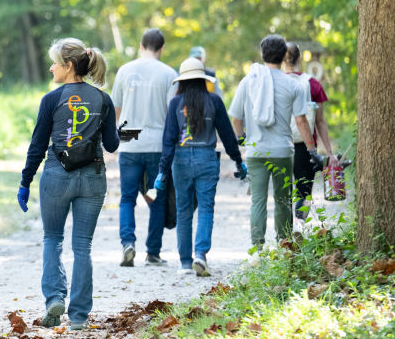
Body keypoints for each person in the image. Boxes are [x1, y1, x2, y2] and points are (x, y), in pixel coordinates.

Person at [19, 37, 123, 330]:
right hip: (92, 177)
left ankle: (54, 297)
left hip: (56, 176)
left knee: (52, 239)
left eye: (55, 63)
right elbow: (112, 145)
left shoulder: (51, 100)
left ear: (68, 66)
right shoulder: (103, 99)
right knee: (82, 247)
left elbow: (37, 146)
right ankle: (78, 316)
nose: (51, 68)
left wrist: (25, 181)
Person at [154, 58, 245, 277]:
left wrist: (162, 171)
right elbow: (227, 135)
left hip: (181, 161)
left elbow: (168, 140)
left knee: (183, 210)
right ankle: (200, 255)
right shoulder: (214, 101)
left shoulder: (176, 104)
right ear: (203, 79)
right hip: (206, 158)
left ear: (182, 82)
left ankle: (185, 263)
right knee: (206, 208)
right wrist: (237, 160)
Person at [228, 35, 319, 250]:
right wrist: (312, 149)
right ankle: (284, 246)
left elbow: (236, 118)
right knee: (283, 201)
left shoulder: (248, 81)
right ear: (284, 56)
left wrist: (242, 138)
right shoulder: (292, 85)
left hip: (256, 151)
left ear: (262, 54)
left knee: (258, 201)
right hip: (282, 151)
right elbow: (301, 120)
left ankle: (257, 250)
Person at [110, 28, 177, 267]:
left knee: (127, 198)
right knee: (156, 199)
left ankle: (128, 243)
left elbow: (116, 108)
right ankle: (153, 252)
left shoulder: (125, 70)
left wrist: (119, 133)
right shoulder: (169, 74)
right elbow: (173, 113)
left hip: (129, 141)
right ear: (161, 48)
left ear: (141, 45)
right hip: (157, 142)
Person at [283, 42, 335, 220]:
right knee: (304, 193)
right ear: (299, 58)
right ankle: (300, 230)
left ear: (282, 59)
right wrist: (329, 152)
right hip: (305, 145)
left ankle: (285, 236)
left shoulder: (276, 83)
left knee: (282, 194)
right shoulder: (312, 84)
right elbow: (320, 121)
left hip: (279, 143)